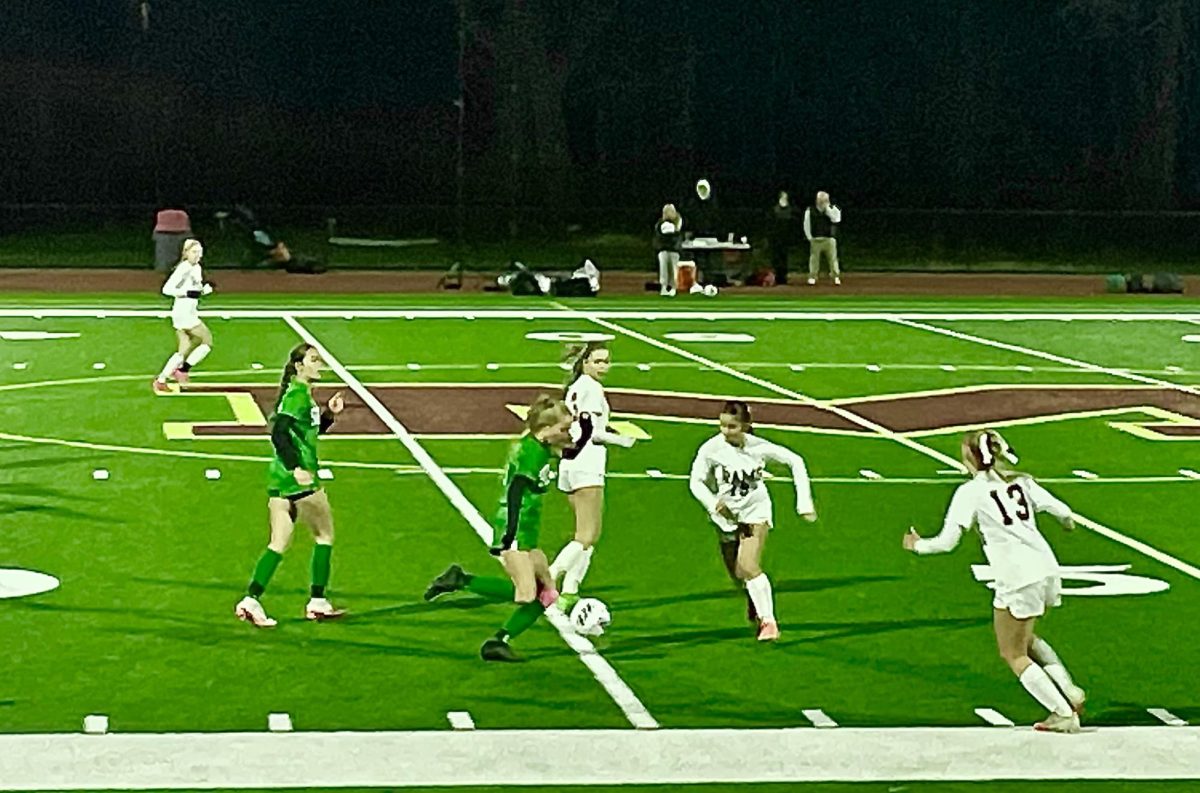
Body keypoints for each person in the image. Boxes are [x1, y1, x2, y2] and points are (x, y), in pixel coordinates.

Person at [903, 429, 1086, 734]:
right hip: (1046, 567)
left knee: (1012, 652)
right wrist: (1067, 525)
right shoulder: (1021, 481)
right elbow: (1064, 513)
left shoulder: (971, 492)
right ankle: (1068, 689)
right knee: (1025, 638)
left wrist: (917, 545)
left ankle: (1063, 712)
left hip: (1016, 574)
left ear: (969, 458)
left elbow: (948, 542)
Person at [423, 396, 576, 662]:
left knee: (548, 594)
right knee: (528, 594)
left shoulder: (540, 445)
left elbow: (571, 451)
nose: (567, 434)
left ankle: (498, 640)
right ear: (546, 429)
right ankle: (464, 583)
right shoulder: (531, 453)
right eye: (563, 429)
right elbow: (515, 491)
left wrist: (585, 430)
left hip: (528, 530)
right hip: (514, 528)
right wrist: (509, 535)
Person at [234, 343, 347, 627]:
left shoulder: (299, 396)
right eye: (314, 360)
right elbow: (280, 433)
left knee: (278, 543)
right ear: (299, 366)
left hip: (278, 479)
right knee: (324, 536)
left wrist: (329, 416)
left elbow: (305, 431)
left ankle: (252, 599)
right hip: (299, 478)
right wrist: (297, 467)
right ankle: (318, 600)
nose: (319, 364)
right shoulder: (297, 396)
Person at [688, 401, 816, 642]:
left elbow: (795, 461)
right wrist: (713, 503)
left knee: (747, 565)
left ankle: (769, 622)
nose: (726, 431)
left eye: (732, 427)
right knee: (738, 572)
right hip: (725, 517)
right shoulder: (711, 449)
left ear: (745, 425)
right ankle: (755, 599)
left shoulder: (758, 447)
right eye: (722, 425)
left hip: (755, 512)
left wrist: (804, 505)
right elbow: (695, 481)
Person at [549, 343, 638, 614]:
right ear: (585, 362)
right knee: (586, 535)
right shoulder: (591, 389)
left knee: (588, 534)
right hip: (586, 463)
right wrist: (623, 440)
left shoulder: (575, 387)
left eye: (606, 361)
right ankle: (548, 581)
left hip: (569, 462)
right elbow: (592, 431)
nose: (603, 366)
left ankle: (571, 591)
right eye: (598, 361)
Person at [153, 239, 214, 393]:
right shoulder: (183, 268)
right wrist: (187, 293)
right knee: (206, 341)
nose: (198, 255)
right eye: (194, 252)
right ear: (186, 253)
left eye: (200, 252)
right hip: (183, 312)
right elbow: (167, 289)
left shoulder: (197, 268)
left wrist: (203, 290)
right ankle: (183, 370)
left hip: (189, 310)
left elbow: (195, 287)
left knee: (185, 347)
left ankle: (162, 379)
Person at [803, 191, 842, 285]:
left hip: (829, 239)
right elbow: (806, 224)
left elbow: (836, 219)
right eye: (820, 200)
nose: (822, 202)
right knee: (814, 260)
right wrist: (809, 237)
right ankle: (813, 277)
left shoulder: (833, 208)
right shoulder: (810, 210)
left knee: (833, 259)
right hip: (816, 239)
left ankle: (835, 277)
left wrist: (827, 210)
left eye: (824, 200)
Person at [766, 191, 796, 285]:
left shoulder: (790, 210)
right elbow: (770, 225)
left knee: (784, 259)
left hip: (785, 238)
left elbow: (792, 224)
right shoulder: (774, 210)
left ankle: (783, 278)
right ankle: (777, 278)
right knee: (776, 259)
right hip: (776, 239)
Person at [654, 203, 683, 297]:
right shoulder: (660, 224)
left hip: (674, 250)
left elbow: (676, 233)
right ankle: (663, 288)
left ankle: (674, 288)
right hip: (663, 250)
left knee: (674, 270)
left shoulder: (677, 222)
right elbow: (662, 234)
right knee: (663, 270)